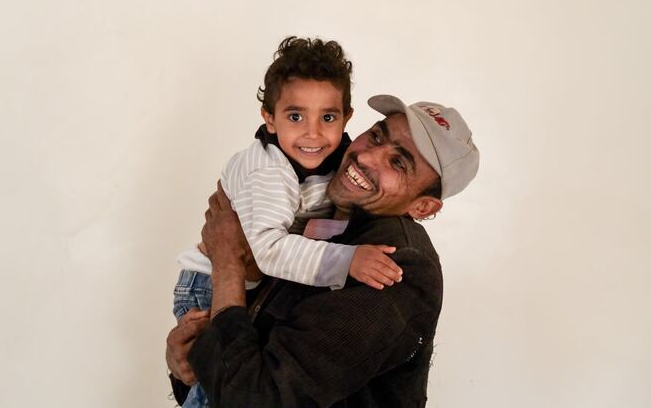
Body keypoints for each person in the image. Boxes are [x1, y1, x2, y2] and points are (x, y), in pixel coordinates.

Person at [166, 95, 479, 407]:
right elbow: (239, 361)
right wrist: (189, 365)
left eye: (398, 163)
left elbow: (255, 398)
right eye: (376, 136)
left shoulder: (397, 265)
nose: (367, 158)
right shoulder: (318, 213)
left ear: (423, 206)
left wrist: (227, 264)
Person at [172, 38, 404, 407]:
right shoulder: (268, 171)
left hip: (253, 284)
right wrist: (348, 260)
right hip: (209, 283)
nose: (312, 134)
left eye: (327, 118)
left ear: (346, 118)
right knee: (217, 391)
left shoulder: (340, 160)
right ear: (269, 118)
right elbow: (269, 250)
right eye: (295, 117)